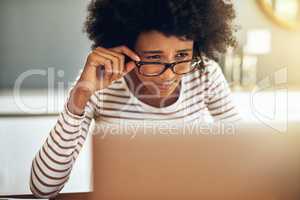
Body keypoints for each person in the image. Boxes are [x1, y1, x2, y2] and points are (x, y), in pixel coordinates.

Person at [29, 0, 241, 198]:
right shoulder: (98, 86)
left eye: (181, 56)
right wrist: (80, 97)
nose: (169, 75)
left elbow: (242, 155)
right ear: (127, 48)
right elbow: (43, 189)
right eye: (153, 58)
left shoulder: (205, 75)